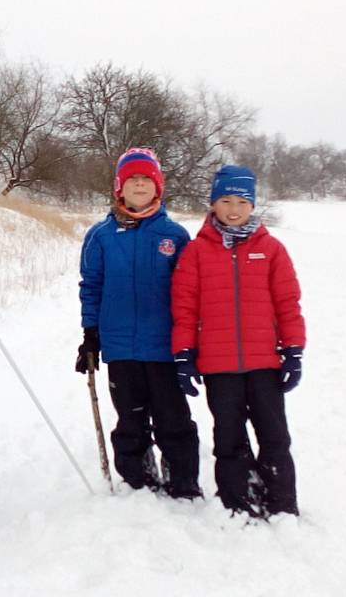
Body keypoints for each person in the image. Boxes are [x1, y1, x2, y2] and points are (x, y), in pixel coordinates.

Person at [171, 165, 305, 519]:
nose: (234, 209)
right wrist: (184, 354)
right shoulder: (196, 252)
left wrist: (293, 351)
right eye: (225, 200)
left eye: (242, 201)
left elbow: (288, 303)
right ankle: (238, 501)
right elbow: (184, 309)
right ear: (213, 203)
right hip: (219, 367)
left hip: (265, 364)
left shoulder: (272, 250)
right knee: (228, 438)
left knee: (274, 436)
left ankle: (281, 503)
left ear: (253, 206)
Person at [75, 147, 201, 498]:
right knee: (130, 418)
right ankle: (137, 476)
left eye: (147, 179)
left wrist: (190, 341)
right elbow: (91, 286)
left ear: (158, 187)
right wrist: (91, 334)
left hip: (163, 346)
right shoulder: (100, 236)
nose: (140, 185)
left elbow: (188, 293)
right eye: (133, 179)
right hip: (120, 347)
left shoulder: (174, 236)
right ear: (120, 188)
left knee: (172, 417)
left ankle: (182, 477)